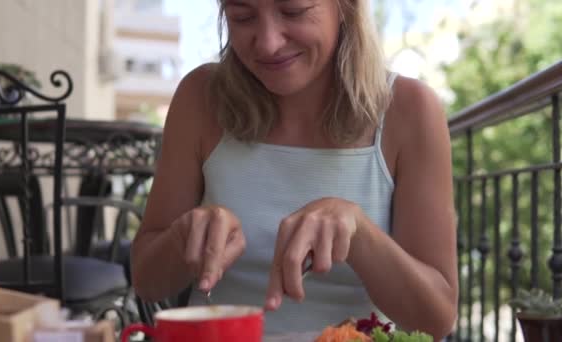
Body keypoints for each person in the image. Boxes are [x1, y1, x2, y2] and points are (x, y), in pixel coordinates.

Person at [131, 0, 458, 338]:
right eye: (242, 17)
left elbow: (437, 318)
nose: (268, 43)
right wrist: (183, 238)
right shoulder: (200, 97)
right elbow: (147, 281)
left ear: (345, 7)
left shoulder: (410, 109)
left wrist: (360, 233)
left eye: (294, 11)